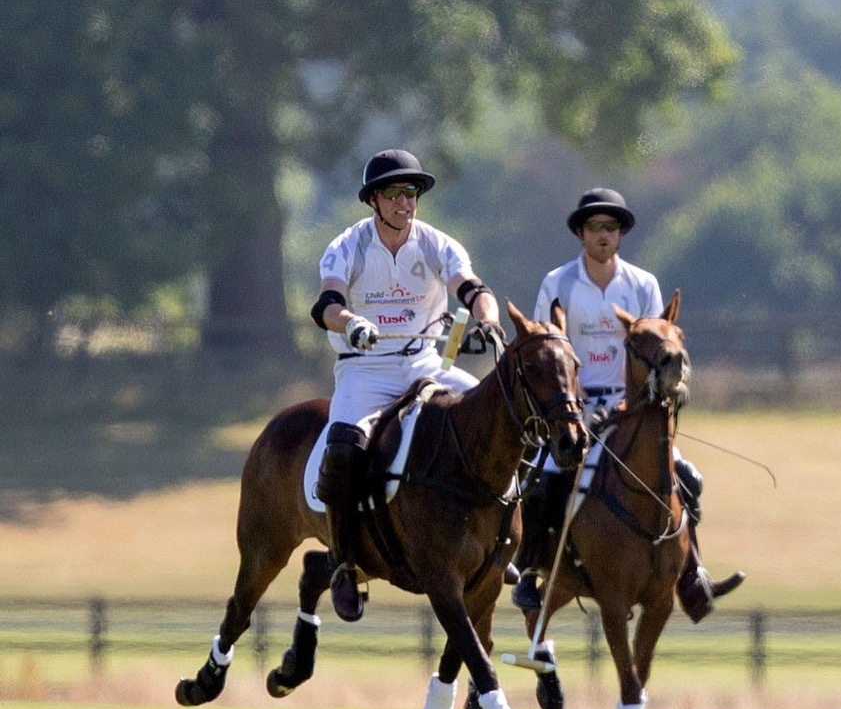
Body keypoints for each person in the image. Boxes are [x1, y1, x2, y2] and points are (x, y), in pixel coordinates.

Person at [511, 188, 745, 623]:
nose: (604, 235)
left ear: (620, 235)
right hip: (571, 410)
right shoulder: (557, 283)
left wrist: (667, 390)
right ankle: (528, 571)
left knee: (687, 478)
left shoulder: (643, 285)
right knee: (543, 484)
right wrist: (570, 402)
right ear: (581, 233)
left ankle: (692, 576)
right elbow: (547, 349)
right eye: (596, 227)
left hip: (630, 411)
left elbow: (658, 351)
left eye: (611, 227)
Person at [310, 149, 504, 622]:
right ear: (374, 200)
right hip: (365, 371)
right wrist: (351, 322)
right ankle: (342, 563)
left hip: (424, 365)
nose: (405, 202)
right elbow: (326, 305)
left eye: (411, 192)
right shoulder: (347, 246)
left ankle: (503, 546)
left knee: (501, 420)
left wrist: (488, 323)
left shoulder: (438, 244)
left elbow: (475, 291)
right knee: (342, 450)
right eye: (394, 193)